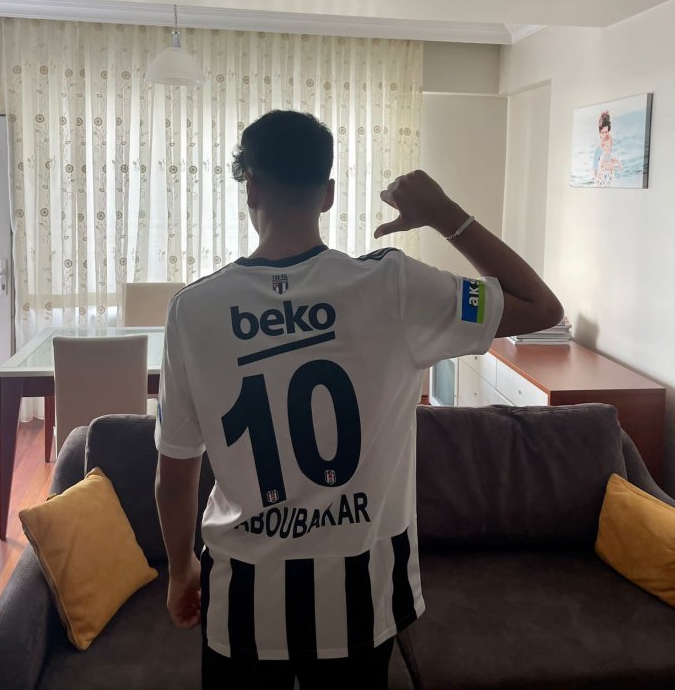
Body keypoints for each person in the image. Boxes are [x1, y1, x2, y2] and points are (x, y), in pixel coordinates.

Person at [154, 110, 563, 690]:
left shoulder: (192, 310)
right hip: (362, 596)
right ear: (328, 194)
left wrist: (180, 571)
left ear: (252, 188)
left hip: (243, 594)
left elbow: (175, 476)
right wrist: (446, 215)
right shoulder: (397, 287)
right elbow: (542, 308)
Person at [592, 110, 612, 185]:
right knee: (597, 176)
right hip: (599, 154)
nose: (604, 135)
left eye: (606, 132)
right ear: (599, 133)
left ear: (608, 131)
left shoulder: (609, 138)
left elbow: (608, 157)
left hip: (605, 159)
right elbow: (595, 165)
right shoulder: (598, 149)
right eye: (602, 132)